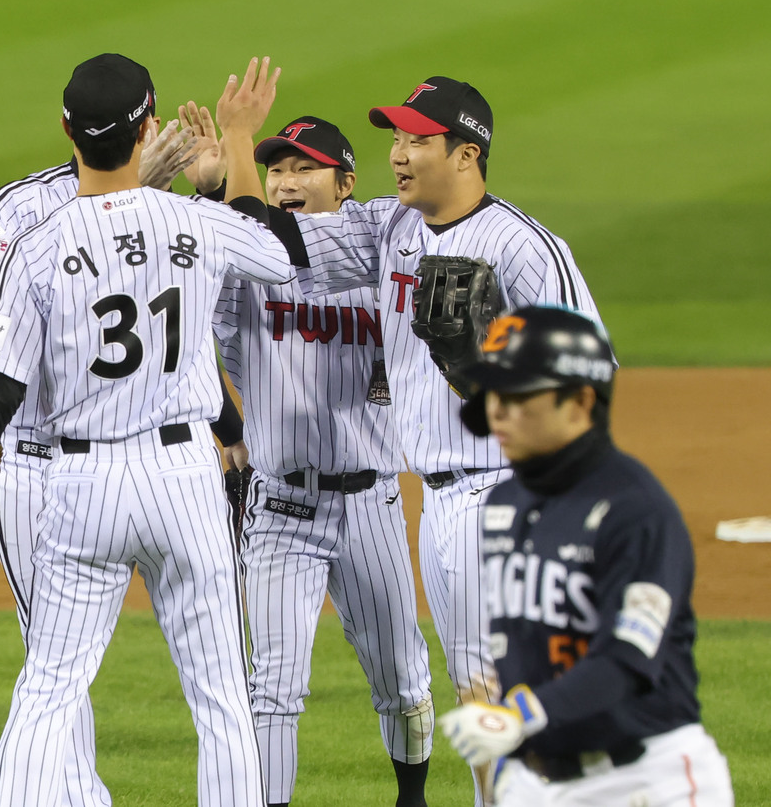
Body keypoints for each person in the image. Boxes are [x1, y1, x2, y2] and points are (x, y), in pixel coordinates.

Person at [0, 53, 288, 807]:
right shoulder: (196, 221)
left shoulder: (38, 244)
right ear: (150, 130)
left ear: (66, 132)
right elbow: (272, 253)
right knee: (221, 700)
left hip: (84, 487)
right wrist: (240, 143)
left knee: (50, 684)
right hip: (184, 481)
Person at [237, 75, 602, 805]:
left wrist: (489, 378)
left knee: (496, 689)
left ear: (467, 154)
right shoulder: (391, 229)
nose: (399, 154)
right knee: (480, 685)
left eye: (417, 141)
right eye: (395, 139)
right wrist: (239, 151)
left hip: (504, 491)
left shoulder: (523, 246)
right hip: (437, 503)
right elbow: (272, 240)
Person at [0, 110, 238, 807]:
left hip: (93, 470)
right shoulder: (17, 206)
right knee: (56, 669)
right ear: (144, 129)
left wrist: (228, 427)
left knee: (53, 672)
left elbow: (179, 347)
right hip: (30, 463)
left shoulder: (162, 214)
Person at [200, 115, 434, 806]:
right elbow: (184, 336)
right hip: (281, 505)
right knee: (272, 686)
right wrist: (217, 193)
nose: (286, 181)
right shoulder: (248, 265)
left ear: (347, 183)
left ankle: (413, 798)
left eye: (305, 168)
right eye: (274, 169)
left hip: (373, 504)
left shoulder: (384, 260)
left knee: (402, 677)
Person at [438, 305, 734, 807]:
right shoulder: (505, 506)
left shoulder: (636, 510)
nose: (496, 412)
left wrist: (519, 716)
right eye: (493, 395)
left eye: (517, 395)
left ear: (579, 401)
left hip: (646, 782)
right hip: (538, 783)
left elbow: (626, 660)